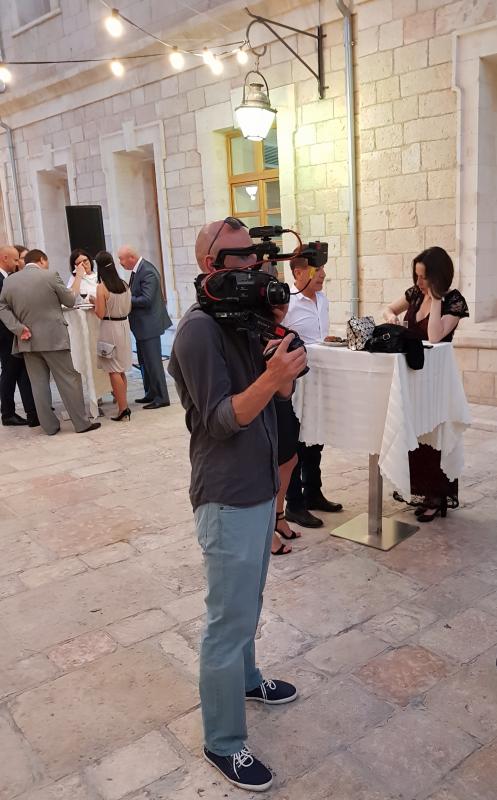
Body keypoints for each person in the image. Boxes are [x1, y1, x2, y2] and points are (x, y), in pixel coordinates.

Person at [168, 217, 306, 792]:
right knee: (228, 621)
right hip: (226, 495)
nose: (253, 263)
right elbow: (223, 419)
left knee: (250, 601)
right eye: (239, 256)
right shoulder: (198, 331)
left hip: (258, 488)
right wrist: (271, 375)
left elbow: (282, 394)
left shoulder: (244, 317)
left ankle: (248, 679)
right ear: (210, 264)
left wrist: (282, 360)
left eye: (255, 254)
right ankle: (223, 742)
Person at [383, 246, 469, 522]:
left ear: (437, 276)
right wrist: (392, 318)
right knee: (415, 433)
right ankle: (420, 491)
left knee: (434, 433)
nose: (418, 282)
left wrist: (436, 298)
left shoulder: (454, 301)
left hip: (436, 380)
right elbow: (389, 309)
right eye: (417, 276)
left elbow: (435, 336)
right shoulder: (414, 294)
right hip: (411, 375)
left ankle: (436, 496)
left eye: (423, 277)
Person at [0, 248, 101, 436]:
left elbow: (2, 308)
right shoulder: (50, 275)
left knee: (38, 384)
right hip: (54, 338)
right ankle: (81, 423)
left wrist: (18, 328)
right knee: (69, 379)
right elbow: (70, 300)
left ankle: (49, 427)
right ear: (41, 260)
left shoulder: (10, 281)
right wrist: (79, 276)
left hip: (27, 340)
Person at [283, 254, 343, 528]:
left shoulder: (323, 299)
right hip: (294, 382)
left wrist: (323, 341)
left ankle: (313, 493)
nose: (322, 275)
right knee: (295, 442)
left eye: (323, 270)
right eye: (317, 269)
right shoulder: (287, 302)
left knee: (315, 439)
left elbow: (315, 338)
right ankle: (294, 504)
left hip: (319, 381)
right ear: (298, 272)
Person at [117, 245, 170, 409]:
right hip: (142, 326)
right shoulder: (138, 270)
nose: (120, 263)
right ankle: (151, 393)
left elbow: (146, 299)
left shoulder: (147, 271)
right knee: (144, 362)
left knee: (153, 363)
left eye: (121, 259)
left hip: (149, 326)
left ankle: (161, 397)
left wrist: (124, 299)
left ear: (131, 258)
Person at [0, 245, 39, 427]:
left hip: (11, 333)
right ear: (4, 258)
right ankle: (7, 413)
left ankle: (31, 411)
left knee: (18, 372)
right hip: (6, 335)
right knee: (9, 374)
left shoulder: (6, 278)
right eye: (15, 259)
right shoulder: (2, 279)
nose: (17, 263)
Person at [94, 251, 132, 421]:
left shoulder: (102, 288)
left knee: (113, 370)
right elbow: (129, 307)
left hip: (110, 327)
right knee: (120, 368)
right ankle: (124, 405)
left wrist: (94, 302)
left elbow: (100, 313)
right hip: (124, 325)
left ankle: (123, 409)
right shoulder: (124, 284)